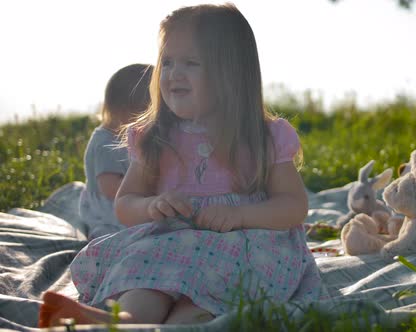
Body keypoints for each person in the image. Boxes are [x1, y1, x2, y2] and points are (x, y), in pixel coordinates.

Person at [39, 3, 322, 327]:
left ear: (231, 73)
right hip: (171, 244)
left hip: (241, 247)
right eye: (168, 62)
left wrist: (241, 215)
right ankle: (124, 321)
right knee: (148, 274)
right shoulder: (155, 137)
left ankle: (179, 325)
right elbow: (126, 203)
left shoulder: (265, 137)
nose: (174, 73)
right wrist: (152, 205)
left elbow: (294, 206)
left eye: (190, 63)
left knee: (204, 299)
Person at [79, 63, 153, 240]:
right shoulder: (106, 143)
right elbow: (110, 188)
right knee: (111, 234)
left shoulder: (133, 136)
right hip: (109, 210)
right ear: (126, 111)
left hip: (130, 202)